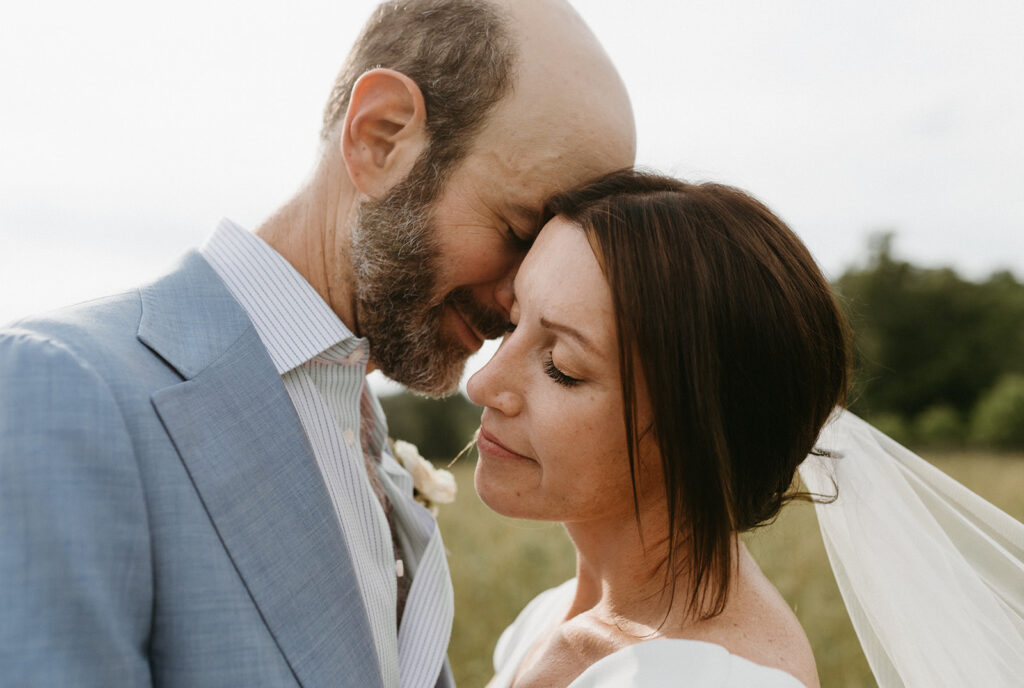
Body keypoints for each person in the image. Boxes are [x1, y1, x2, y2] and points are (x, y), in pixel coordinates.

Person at [0, 1, 635, 686]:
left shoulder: (362, 441)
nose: (523, 301)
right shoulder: (64, 392)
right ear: (381, 137)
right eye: (519, 231)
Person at [467, 170, 1024, 687]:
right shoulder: (551, 614)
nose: (484, 382)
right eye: (512, 323)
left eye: (561, 364)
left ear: (698, 432)